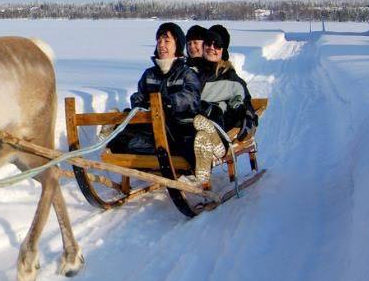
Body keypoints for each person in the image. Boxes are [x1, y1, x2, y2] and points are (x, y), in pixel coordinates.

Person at [109, 22, 201, 158]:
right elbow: (140, 95)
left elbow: (191, 97)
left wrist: (168, 103)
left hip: (176, 129)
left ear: (177, 45)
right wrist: (139, 102)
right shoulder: (149, 74)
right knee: (125, 130)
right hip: (150, 126)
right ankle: (114, 134)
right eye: (159, 41)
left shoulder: (187, 74)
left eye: (167, 41)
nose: (161, 45)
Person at [190, 24, 258, 186]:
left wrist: (245, 118)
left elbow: (244, 102)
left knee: (215, 113)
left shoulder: (229, 77)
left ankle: (218, 145)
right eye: (208, 43)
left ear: (223, 50)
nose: (212, 48)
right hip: (191, 123)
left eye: (217, 45)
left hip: (219, 124)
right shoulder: (192, 72)